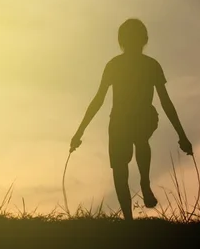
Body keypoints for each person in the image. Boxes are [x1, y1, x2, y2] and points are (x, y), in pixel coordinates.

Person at [70, 18, 193, 221]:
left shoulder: (144, 65)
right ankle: (129, 218)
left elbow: (165, 102)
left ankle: (141, 190)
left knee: (128, 156)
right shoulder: (124, 65)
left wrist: (182, 135)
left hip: (138, 117)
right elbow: (99, 100)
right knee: (121, 166)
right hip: (121, 120)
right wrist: (79, 132)